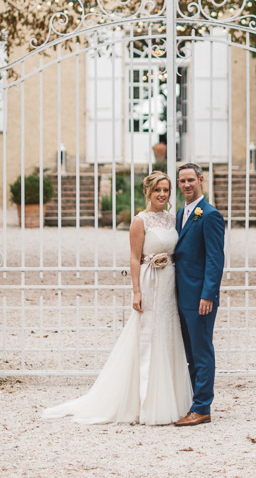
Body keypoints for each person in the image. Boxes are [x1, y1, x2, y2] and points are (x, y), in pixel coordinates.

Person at [42, 171, 192, 425]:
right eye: (158, 190)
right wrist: (136, 291)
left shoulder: (172, 218)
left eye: (166, 190)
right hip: (149, 281)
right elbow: (134, 257)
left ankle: (169, 398)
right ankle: (142, 400)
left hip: (169, 282)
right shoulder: (139, 221)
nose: (163, 194)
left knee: (168, 333)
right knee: (147, 335)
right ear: (148, 192)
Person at [173, 163, 225, 427]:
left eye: (191, 180)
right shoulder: (182, 212)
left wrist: (207, 295)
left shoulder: (210, 215)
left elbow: (216, 260)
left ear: (201, 180)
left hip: (200, 299)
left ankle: (202, 407)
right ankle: (195, 401)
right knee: (191, 353)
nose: (186, 185)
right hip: (182, 297)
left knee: (202, 352)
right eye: (182, 181)